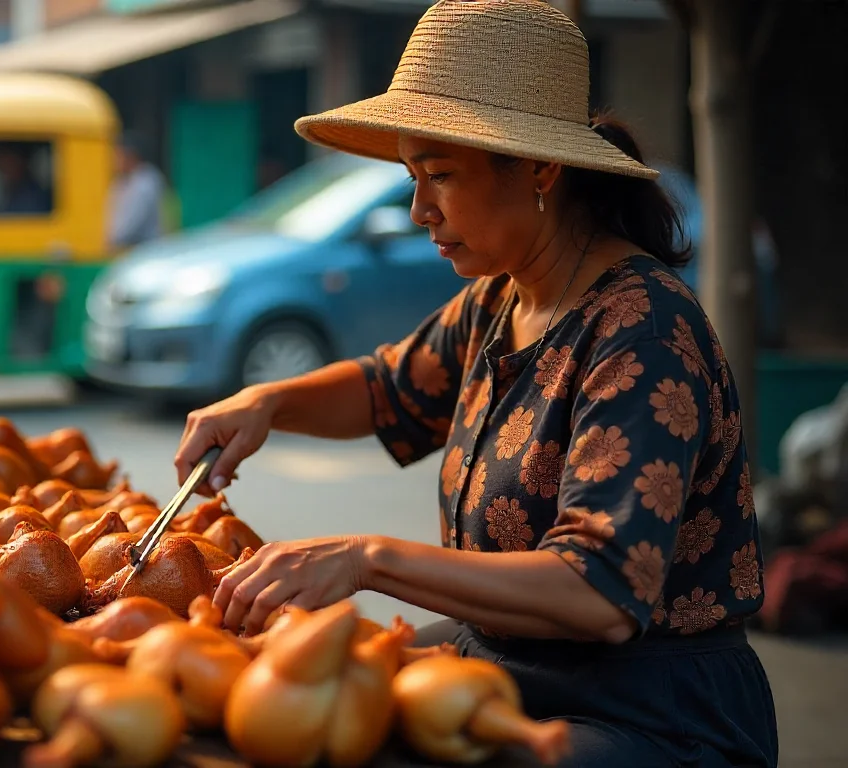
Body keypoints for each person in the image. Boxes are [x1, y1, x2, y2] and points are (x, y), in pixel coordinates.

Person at [172, 2, 778, 766]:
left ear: (541, 170)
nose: (421, 210)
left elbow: (599, 592)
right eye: (412, 178)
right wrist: (265, 402)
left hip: (647, 711)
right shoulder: (504, 297)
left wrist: (366, 557)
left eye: (442, 176)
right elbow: (389, 389)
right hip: (508, 665)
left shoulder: (643, 331)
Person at [107, 132, 166, 249]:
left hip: (146, 251)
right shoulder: (124, 181)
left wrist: (113, 239)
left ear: (130, 156)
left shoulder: (145, 182)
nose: (115, 161)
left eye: (118, 155)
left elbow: (131, 224)